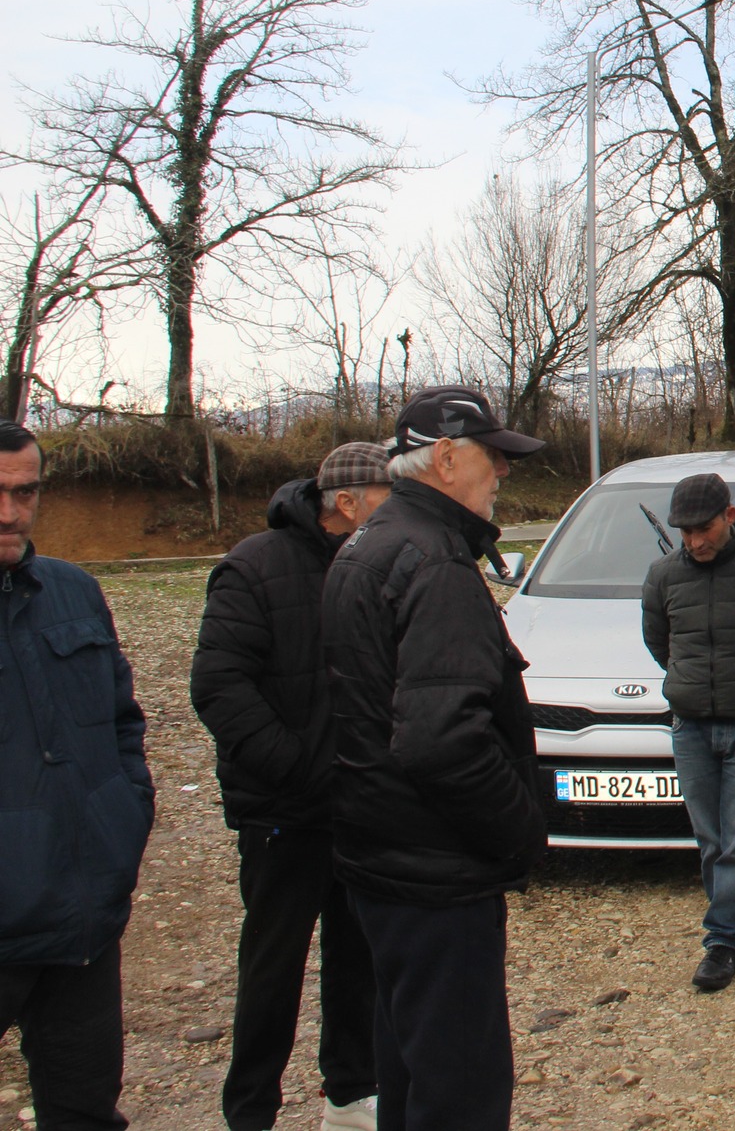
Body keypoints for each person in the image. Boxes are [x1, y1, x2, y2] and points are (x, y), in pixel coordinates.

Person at [322, 387, 547, 1131]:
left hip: (382, 863)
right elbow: (442, 741)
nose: (502, 474)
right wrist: (521, 830)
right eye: (494, 457)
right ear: (446, 458)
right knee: (460, 1090)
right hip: (434, 877)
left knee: (409, 1071)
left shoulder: (369, 543)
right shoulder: (434, 563)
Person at [191, 442, 389, 1131]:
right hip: (283, 813)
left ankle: (351, 1095)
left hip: (360, 807)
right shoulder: (254, 565)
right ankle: (251, 1110)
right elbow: (219, 685)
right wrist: (297, 768)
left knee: (357, 960)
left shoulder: (379, 564)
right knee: (272, 968)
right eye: (388, 496)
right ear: (347, 502)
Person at [0, 417, 155, 1131]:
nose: (10, 512)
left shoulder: (74, 591)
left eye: (25, 492)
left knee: (86, 1112)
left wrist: (123, 816)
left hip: (81, 920)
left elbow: (123, 723)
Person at [640, 473, 735, 992]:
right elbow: (659, 641)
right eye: (685, 532)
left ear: (729, 516)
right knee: (711, 838)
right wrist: (689, 682)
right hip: (690, 725)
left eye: (703, 528)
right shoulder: (663, 575)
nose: (694, 541)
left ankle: (721, 942)